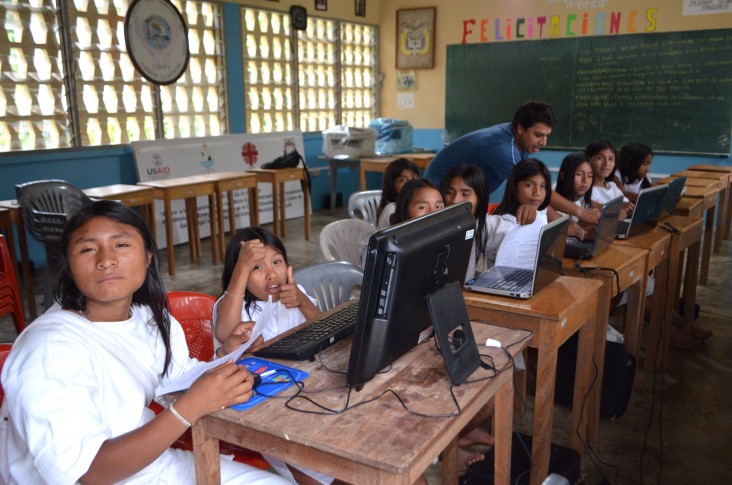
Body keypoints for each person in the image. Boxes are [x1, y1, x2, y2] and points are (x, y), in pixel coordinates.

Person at [0, 200, 289, 485]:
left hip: (151, 465)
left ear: (148, 256)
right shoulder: (49, 350)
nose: (106, 260)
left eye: (121, 245)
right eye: (88, 249)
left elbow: (177, 376)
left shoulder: (149, 317)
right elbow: (87, 473)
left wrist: (226, 354)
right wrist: (190, 406)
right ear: (69, 265)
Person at [423, 100, 599, 225]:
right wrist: (577, 216)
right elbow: (536, 191)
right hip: (441, 195)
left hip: (467, 196)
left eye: (547, 136)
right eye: (539, 135)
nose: (544, 143)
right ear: (521, 128)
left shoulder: (518, 139)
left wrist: (563, 224)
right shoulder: (502, 148)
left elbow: (535, 191)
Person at [213, 227, 322, 356]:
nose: (271, 274)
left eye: (277, 262)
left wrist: (303, 302)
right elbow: (225, 334)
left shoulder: (295, 294)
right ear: (238, 273)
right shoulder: (231, 305)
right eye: (257, 267)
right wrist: (242, 266)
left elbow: (323, 327)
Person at [483, 158, 558, 267]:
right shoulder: (503, 223)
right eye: (529, 185)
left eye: (542, 186)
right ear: (514, 187)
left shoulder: (541, 213)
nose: (537, 192)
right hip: (504, 281)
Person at [440, 164, 491, 280]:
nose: (455, 200)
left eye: (465, 194)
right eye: (449, 192)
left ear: (480, 198)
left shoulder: (484, 225)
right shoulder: (434, 228)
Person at [585, 139, 634, 221]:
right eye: (600, 158)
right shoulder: (585, 188)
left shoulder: (612, 186)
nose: (606, 163)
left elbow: (625, 207)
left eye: (611, 159)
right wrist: (619, 209)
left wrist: (627, 209)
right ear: (588, 160)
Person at [554, 152, 596, 240]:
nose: (585, 180)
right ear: (563, 175)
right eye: (579, 174)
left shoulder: (581, 200)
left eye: (590, 176)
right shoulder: (554, 202)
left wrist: (583, 230)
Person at [375, 157, 420, 229]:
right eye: (402, 180)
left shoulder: (414, 203)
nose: (410, 182)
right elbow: (407, 227)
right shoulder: (391, 208)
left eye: (413, 177)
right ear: (392, 185)